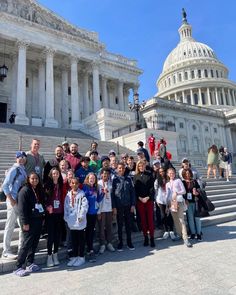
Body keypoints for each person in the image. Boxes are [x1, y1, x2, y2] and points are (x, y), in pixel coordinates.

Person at [14, 172, 45, 276]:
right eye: (32, 179)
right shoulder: (24, 190)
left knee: (34, 243)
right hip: (29, 222)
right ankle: (18, 266)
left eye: (36, 178)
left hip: (38, 220)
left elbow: (41, 203)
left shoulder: (37, 189)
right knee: (26, 244)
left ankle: (30, 263)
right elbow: (21, 209)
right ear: (28, 179)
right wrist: (25, 223)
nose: (35, 180)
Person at [1, 151, 27, 259]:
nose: (21, 159)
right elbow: (5, 185)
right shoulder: (14, 169)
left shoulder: (22, 170)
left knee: (21, 225)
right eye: (19, 157)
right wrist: (10, 199)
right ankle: (6, 251)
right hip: (13, 200)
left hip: (19, 201)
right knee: (10, 225)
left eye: (23, 157)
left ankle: (21, 248)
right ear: (16, 158)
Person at [64, 177, 88, 267]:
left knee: (80, 240)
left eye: (76, 183)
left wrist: (81, 215)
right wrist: (66, 217)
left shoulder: (82, 194)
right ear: (70, 184)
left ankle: (81, 256)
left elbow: (84, 206)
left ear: (78, 184)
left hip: (79, 221)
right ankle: (74, 256)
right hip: (71, 221)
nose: (74, 185)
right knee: (73, 240)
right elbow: (66, 206)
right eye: (72, 183)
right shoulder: (68, 195)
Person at [111, 162, 136, 251]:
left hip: (128, 205)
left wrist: (133, 204)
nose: (121, 169)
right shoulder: (114, 180)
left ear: (124, 169)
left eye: (122, 168)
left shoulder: (129, 179)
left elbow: (133, 193)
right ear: (117, 169)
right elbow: (112, 195)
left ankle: (129, 242)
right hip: (119, 206)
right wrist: (114, 207)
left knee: (128, 224)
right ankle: (120, 242)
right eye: (119, 168)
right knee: (120, 224)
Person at [166, 168, 192, 247]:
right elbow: (167, 196)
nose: (171, 175)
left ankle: (185, 238)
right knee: (176, 220)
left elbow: (184, 191)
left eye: (173, 173)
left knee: (181, 220)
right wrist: (167, 206)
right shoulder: (167, 184)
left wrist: (177, 193)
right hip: (172, 203)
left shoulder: (178, 181)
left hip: (179, 202)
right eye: (170, 173)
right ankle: (179, 235)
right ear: (168, 174)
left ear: (175, 173)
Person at [44, 167, 64, 267]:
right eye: (54, 173)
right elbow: (44, 198)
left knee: (57, 235)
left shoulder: (61, 185)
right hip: (51, 213)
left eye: (57, 173)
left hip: (59, 212)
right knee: (51, 235)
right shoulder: (47, 185)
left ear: (59, 174)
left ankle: (55, 254)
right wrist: (47, 206)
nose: (55, 175)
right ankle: (49, 256)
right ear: (51, 175)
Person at [133, 160, 155, 247]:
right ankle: (145, 238)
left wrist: (148, 197)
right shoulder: (135, 176)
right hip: (140, 201)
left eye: (142, 165)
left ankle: (152, 238)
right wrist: (140, 198)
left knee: (150, 220)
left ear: (145, 166)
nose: (141, 167)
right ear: (138, 167)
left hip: (148, 200)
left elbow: (152, 188)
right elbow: (135, 189)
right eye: (139, 166)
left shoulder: (149, 174)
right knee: (143, 220)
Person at [83, 172, 104, 262]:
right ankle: (88, 250)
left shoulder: (95, 188)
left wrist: (102, 193)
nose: (92, 180)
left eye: (94, 179)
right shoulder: (85, 187)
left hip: (93, 213)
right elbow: (85, 198)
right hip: (86, 213)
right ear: (87, 179)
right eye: (90, 178)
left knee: (91, 232)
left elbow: (98, 199)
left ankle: (90, 249)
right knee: (87, 232)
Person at [97, 168, 115, 254]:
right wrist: (98, 211)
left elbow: (113, 196)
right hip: (101, 209)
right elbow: (97, 199)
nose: (105, 176)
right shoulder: (98, 184)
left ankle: (109, 243)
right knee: (101, 228)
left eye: (107, 174)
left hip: (109, 208)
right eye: (104, 174)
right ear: (101, 175)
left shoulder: (110, 183)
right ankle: (102, 244)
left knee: (109, 227)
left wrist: (113, 208)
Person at [182, 168, 202, 241]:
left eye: (189, 173)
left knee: (197, 218)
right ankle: (193, 233)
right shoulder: (183, 182)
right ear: (184, 174)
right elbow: (182, 192)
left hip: (195, 202)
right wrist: (185, 199)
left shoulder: (194, 181)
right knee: (190, 219)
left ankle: (199, 233)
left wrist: (196, 193)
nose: (188, 175)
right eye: (186, 173)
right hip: (188, 203)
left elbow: (199, 190)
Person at [155, 167, 175, 240]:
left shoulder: (169, 180)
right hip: (161, 201)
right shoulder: (157, 181)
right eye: (160, 172)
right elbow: (156, 192)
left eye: (163, 171)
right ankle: (166, 230)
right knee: (163, 215)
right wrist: (156, 200)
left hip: (169, 200)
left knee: (170, 215)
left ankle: (172, 230)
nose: (161, 173)